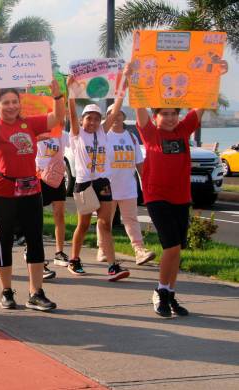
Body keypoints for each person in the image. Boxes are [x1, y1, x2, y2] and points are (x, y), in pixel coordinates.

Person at [135, 60, 228, 317]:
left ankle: (170, 293)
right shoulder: (150, 134)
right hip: (157, 196)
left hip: (180, 197)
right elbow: (139, 105)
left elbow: (203, 101)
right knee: (171, 248)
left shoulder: (184, 129)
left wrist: (215, 75)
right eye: (164, 113)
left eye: (174, 113)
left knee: (177, 251)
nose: (170, 117)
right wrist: (133, 78)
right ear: (156, 117)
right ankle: (160, 292)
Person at [0, 76, 64, 312]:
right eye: (6, 102)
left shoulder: (29, 123)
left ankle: (36, 293)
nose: (12, 106)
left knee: (35, 239)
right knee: (4, 240)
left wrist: (57, 96)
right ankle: (6, 291)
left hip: (30, 190)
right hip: (0, 190)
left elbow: (56, 118)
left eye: (15, 101)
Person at [66, 77, 130, 282]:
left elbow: (116, 108)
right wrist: (71, 93)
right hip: (84, 184)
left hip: (103, 182)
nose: (92, 122)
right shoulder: (77, 134)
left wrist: (123, 87)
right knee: (83, 225)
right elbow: (71, 113)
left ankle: (113, 266)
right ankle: (74, 259)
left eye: (96, 118)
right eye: (89, 118)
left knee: (104, 224)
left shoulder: (103, 131)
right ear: (83, 120)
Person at [97, 102, 156, 266]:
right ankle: (102, 249)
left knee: (131, 219)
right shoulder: (103, 135)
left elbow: (139, 162)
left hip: (128, 187)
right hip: (107, 187)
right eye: (111, 114)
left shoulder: (131, 137)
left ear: (124, 117)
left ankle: (139, 251)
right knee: (105, 220)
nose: (115, 117)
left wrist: (146, 183)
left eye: (119, 114)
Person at [35, 129, 69, 279]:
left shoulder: (61, 134)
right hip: (39, 176)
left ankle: (59, 252)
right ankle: (35, 253)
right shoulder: (35, 130)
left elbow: (76, 138)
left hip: (56, 176)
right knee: (36, 217)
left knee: (59, 214)